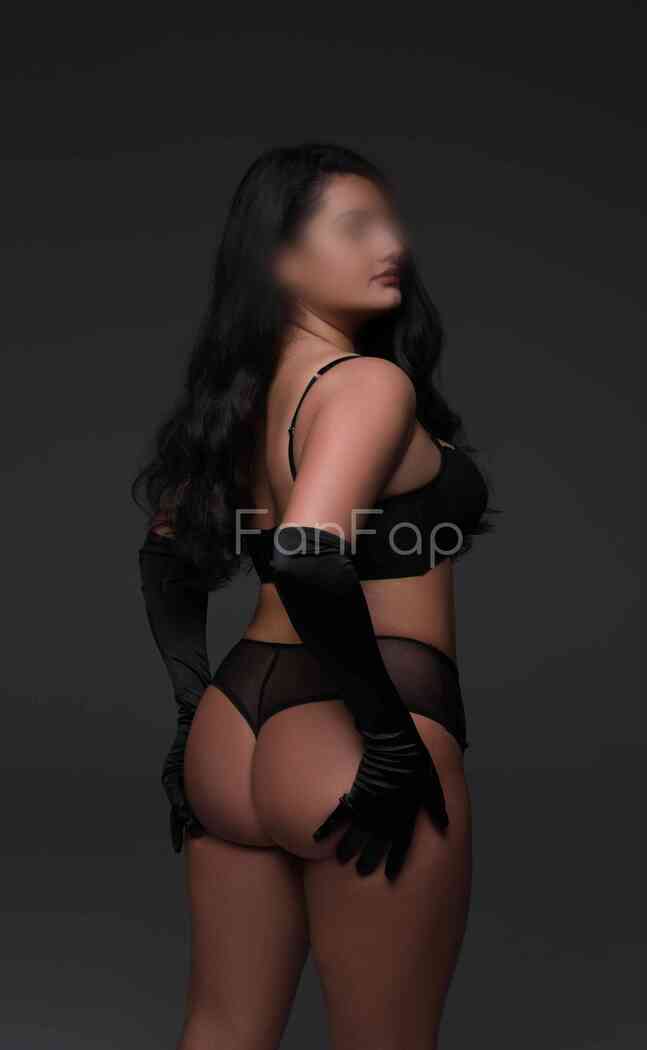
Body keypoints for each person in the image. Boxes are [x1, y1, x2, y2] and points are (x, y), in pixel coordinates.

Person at [133, 141, 498, 1050]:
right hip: (354, 731)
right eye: (355, 227)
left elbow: (165, 558)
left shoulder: (238, 400)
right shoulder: (366, 385)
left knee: (222, 1030)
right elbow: (305, 554)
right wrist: (387, 739)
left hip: (234, 729)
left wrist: (189, 711)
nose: (393, 245)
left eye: (389, 223)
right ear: (279, 258)